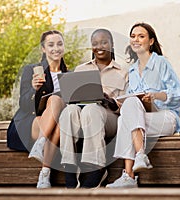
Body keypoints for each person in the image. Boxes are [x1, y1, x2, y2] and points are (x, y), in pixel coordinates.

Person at [106, 22, 180, 188]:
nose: (136, 40)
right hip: (143, 119)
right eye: (133, 36)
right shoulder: (132, 71)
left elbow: (176, 94)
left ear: (151, 41)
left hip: (166, 117)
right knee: (127, 110)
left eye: (141, 36)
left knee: (126, 119)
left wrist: (155, 96)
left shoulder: (161, 63)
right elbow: (131, 102)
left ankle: (130, 174)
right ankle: (136, 162)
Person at [59, 28, 128, 188]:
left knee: (93, 110)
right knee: (69, 111)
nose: (100, 46)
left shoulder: (123, 72)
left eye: (104, 42)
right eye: (95, 43)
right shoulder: (81, 69)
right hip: (82, 117)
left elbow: (126, 106)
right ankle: (70, 167)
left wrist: (109, 101)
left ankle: (96, 169)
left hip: (110, 118)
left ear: (111, 44)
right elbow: (71, 100)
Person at [25, 30, 68, 189]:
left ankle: (44, 173)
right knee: (55, 99)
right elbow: (23, 104)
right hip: (36, 121)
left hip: (59, 123)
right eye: (50, 45)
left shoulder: (69, 74)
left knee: (61, 123)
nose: (56, 48)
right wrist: (33, 89)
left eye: (59, 44)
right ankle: (41, 142)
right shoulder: (32, 70)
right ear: (43, 49)